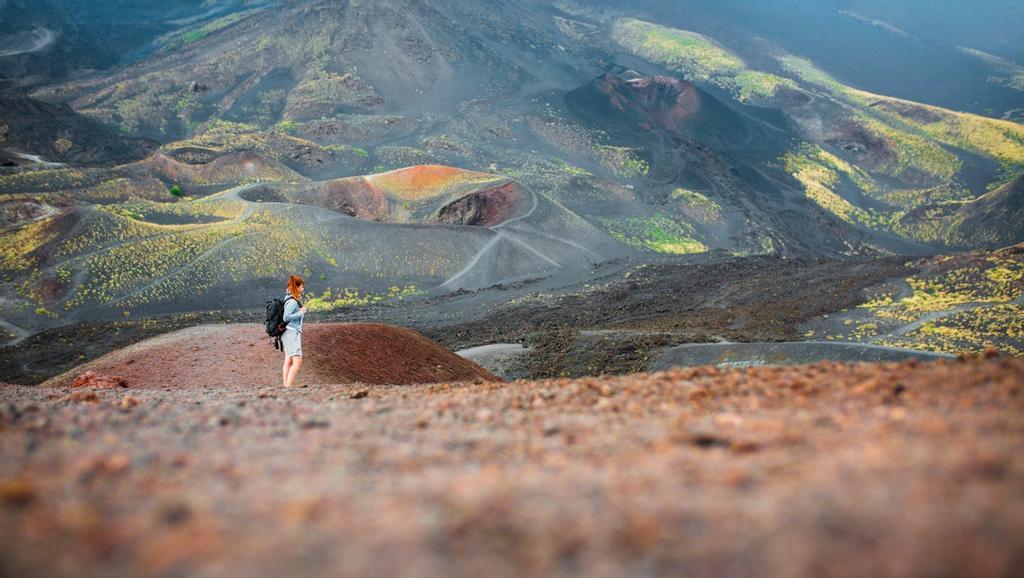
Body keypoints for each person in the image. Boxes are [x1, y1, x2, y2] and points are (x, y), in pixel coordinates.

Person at [282, 274, 307, 388]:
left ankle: (286, 386)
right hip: (291, 333)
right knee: (297, 361)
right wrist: (300, 312)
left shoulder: (289, 298)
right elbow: (286, 318)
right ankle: (288, 388)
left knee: (288, 360)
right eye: (301, 286)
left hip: (287, 332)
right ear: (296, 287)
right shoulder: (292, 301)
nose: (303, 289)